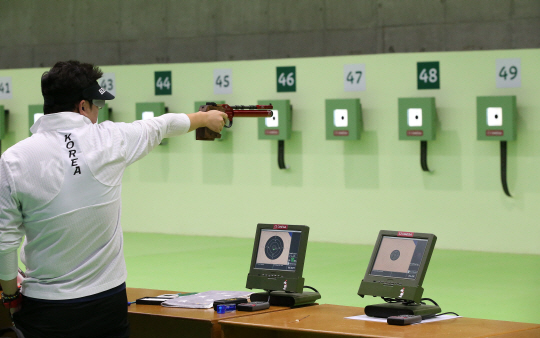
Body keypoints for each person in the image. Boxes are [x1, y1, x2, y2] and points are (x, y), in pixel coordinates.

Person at [0, 60, 227, 337]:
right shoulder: (111, 139)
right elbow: (163, 125)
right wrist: (206, 119)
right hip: (107, 304)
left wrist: (11, 297)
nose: (98, 112)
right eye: (97, 105)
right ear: (83, 106)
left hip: (47, 308)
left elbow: (4, 244)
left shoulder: (14, 159)